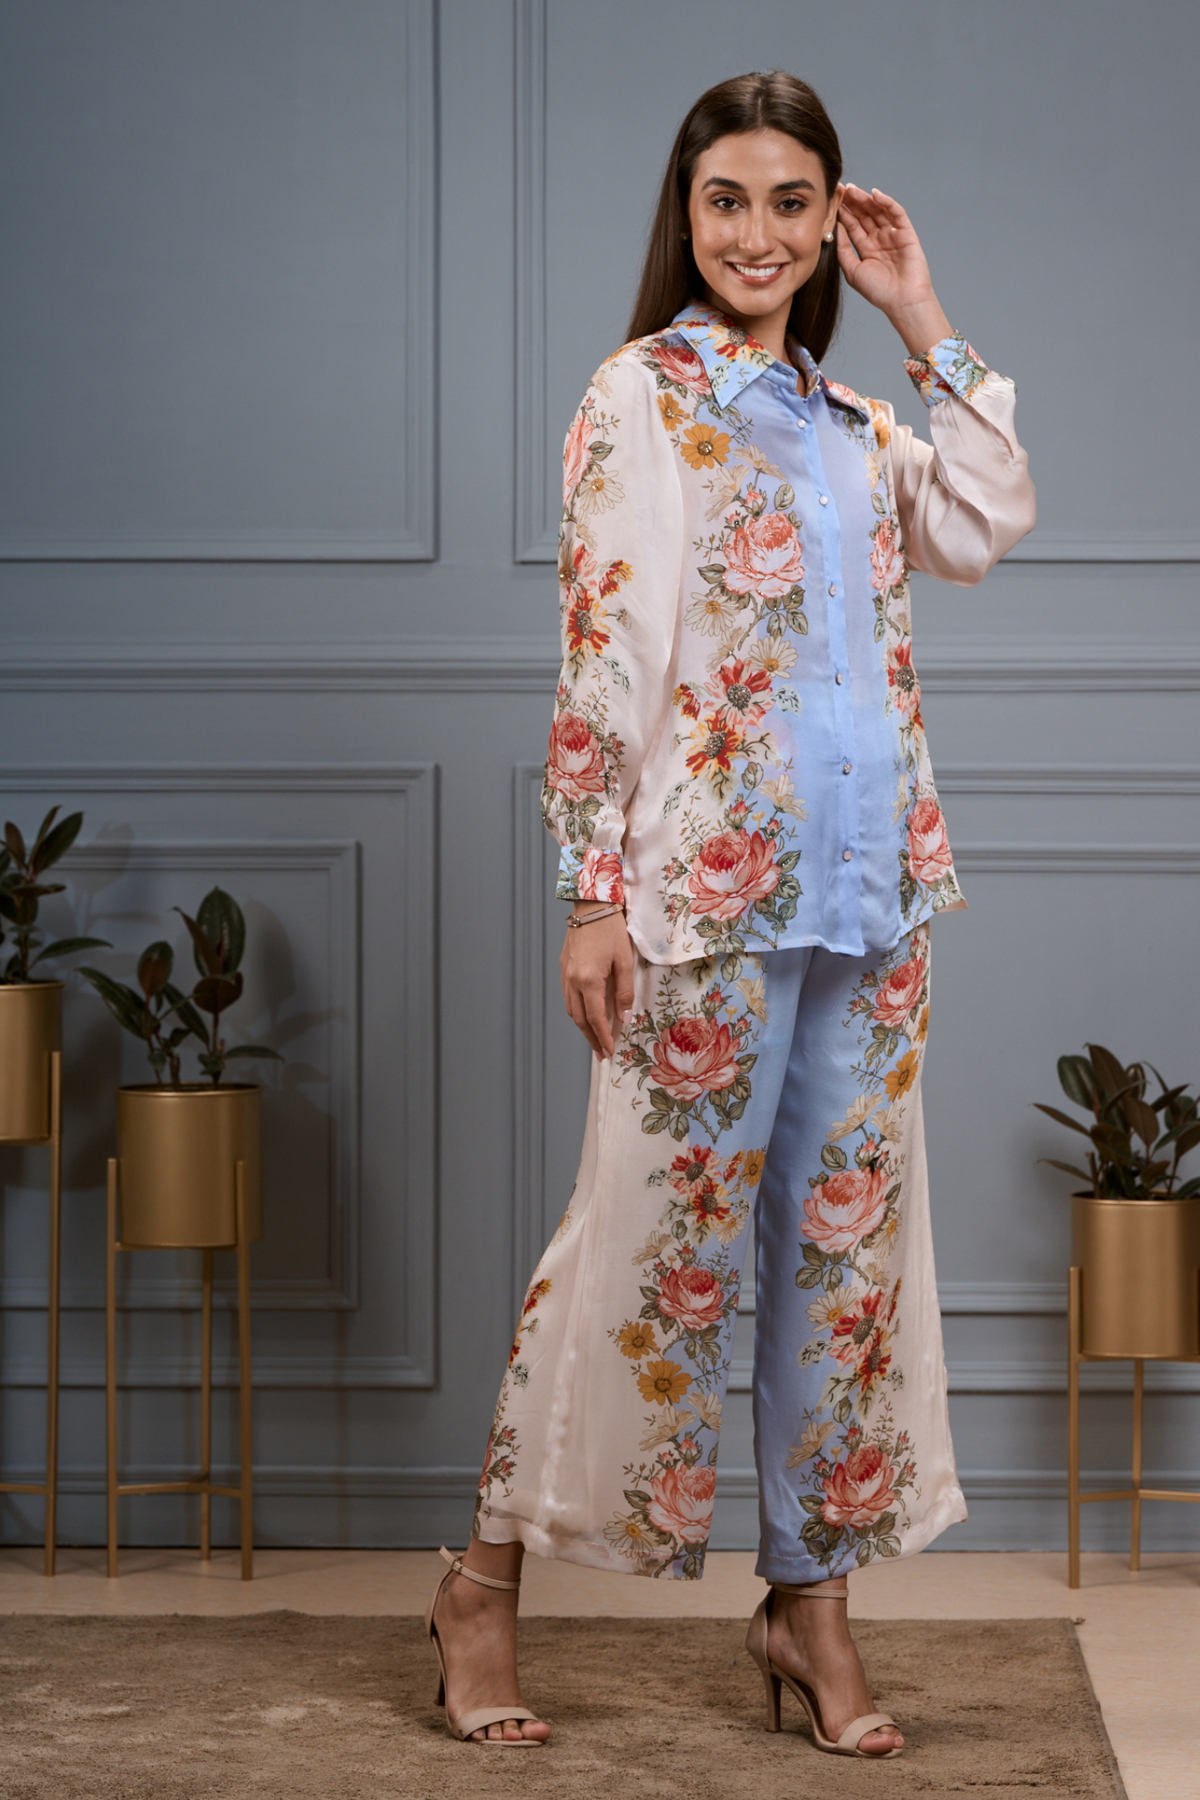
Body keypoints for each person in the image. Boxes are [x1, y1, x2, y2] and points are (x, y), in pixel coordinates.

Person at [425, 68, 1035, 1757]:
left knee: (841, 1265)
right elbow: (605, 647)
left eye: (789, 203)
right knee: (639, 1247)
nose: (755, 234)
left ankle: (808, 1608)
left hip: (877, 902)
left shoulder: (856, 425)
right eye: (725, 201)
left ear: (829, 222)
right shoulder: (642, 397)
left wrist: (921, 313)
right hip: (704, 902)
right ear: (684, 216)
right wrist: (591, 896)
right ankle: (481, 1584)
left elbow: (989, 521)